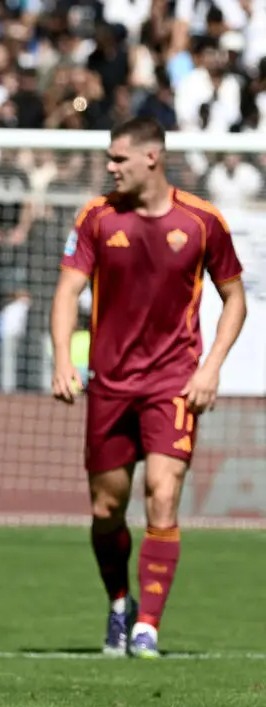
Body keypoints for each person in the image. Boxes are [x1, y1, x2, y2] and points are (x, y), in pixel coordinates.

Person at [51, 116, 247, 659]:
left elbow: (236, 298)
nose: (109, 168)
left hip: (173, 383)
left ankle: (148, 629)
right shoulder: (95, 217)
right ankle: (120, 603)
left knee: (163, 495)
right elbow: (67, 291)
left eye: (118, 159)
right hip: (110, 385)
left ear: (151, 159)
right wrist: (63, 359)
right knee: (106, 509)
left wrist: (210, 368)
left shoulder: (203, 221)